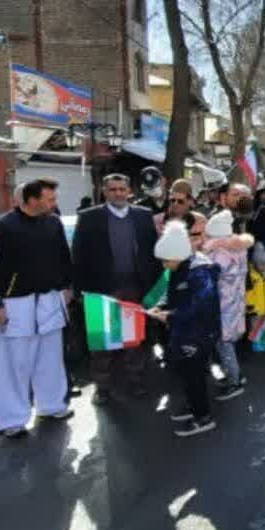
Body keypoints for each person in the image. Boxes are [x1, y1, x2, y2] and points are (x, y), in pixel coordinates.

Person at [0, 178, 74, 438]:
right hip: (14, 304)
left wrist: (68, 286)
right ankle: (13, 420)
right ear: (31, 200)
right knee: (14, 364)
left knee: (51, 359)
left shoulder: (53, 223)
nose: (55, 204)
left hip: (50, 301)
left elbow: (64, 257)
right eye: (50, 199)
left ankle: (52, 405)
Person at [71, 173, 161, 405]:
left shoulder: (143, 216)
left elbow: (152, 254)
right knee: (102, 342)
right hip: (102, 289)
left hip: (135, 288)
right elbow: (78, 256)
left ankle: (136, 381)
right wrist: (80, 290)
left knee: (133, 340)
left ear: (129, 191)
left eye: (122, 189)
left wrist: (154, 289)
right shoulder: (89, 217)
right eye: (113, 189)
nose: (118, 193)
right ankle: (102, 387)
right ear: (105, 191)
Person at [147, 221, 221, 437]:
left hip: (199, 333)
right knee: (187, 373)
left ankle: (203, 417)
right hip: (184, 331)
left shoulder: (200, 271)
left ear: (177, 254)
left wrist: (170, 315)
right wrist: (161, 307)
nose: (163, 265)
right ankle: (194, 407)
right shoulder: (181, 267)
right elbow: (173, 295)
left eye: (165, 260)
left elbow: (201, 305)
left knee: (195, 375)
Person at [202, 210, 254, 400]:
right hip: (234, 301)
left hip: (221, 303)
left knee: (223, 342)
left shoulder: (220, 254)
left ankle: (235, 381)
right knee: (227, 341)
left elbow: (210, 279)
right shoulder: (239, 248)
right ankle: (236, 375)